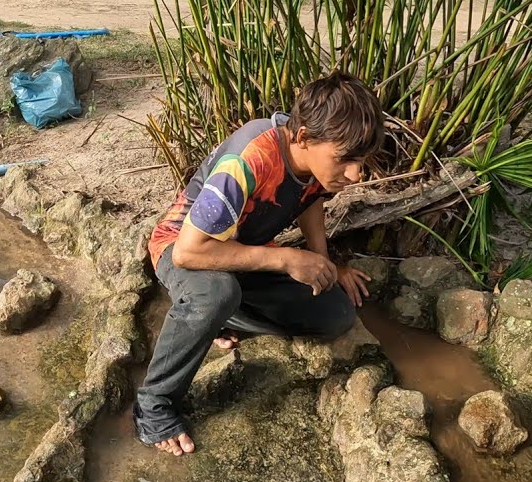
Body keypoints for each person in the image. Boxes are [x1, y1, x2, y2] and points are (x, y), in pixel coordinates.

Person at [134, 71, 385, 457]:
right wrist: (286, 258)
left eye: (362, 161)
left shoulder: (314, 159)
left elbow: (310, 199)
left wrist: (324, 264)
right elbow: (189, 252)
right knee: (215, 292)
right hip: (182, 247)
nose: (356, 174)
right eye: (346, 160)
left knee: (335, 314)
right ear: (303, 138)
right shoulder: (249, 159)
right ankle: (153, 406)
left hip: (239, 256)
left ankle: (215, 318)